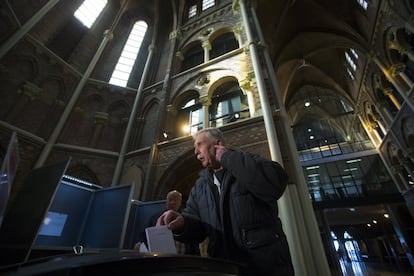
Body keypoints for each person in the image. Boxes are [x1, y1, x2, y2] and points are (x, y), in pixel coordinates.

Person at [156, 127, 294, 276]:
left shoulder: (246, 163)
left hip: (265, 268)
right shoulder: (200, 187)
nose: (195, 152)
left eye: (199, 144)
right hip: (224, 270)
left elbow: (274, 183)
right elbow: (197, 226)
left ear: (218, 143)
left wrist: (227, 157)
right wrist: (181, 223)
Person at [134, 190, 200, 255]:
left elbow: (193, 241)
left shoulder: (187, 220)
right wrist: (140, 242)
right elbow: (145, 234)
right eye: (170, 200)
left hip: (182, 259)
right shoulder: (155, 217)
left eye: (176, 200)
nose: (172, 202)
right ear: (166, 202)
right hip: (160, 257)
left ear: (180, 203)